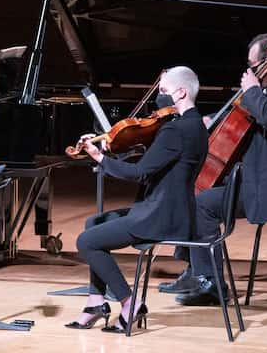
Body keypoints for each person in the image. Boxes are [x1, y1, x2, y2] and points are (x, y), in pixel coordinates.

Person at [161, 31, 267, 305]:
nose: (249, 70)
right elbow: (242, 124)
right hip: (254, 179)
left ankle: (213, 285)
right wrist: (212, 122)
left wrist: (252, 89)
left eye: (252, 65)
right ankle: (196, 271)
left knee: (202, 204)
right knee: (193, 194)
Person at [65, 66, 207, 333]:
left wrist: (99, 159)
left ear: (181, 92)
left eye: (163, 91)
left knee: (86, 242)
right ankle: (96, 301)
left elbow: (140, 172)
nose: (158, 99)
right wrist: (108, 152)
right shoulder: (195, 124)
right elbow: (155, 163)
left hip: (160, 215)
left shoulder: (175, 131)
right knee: (93, 223)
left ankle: (130, 303)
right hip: (175, 210)